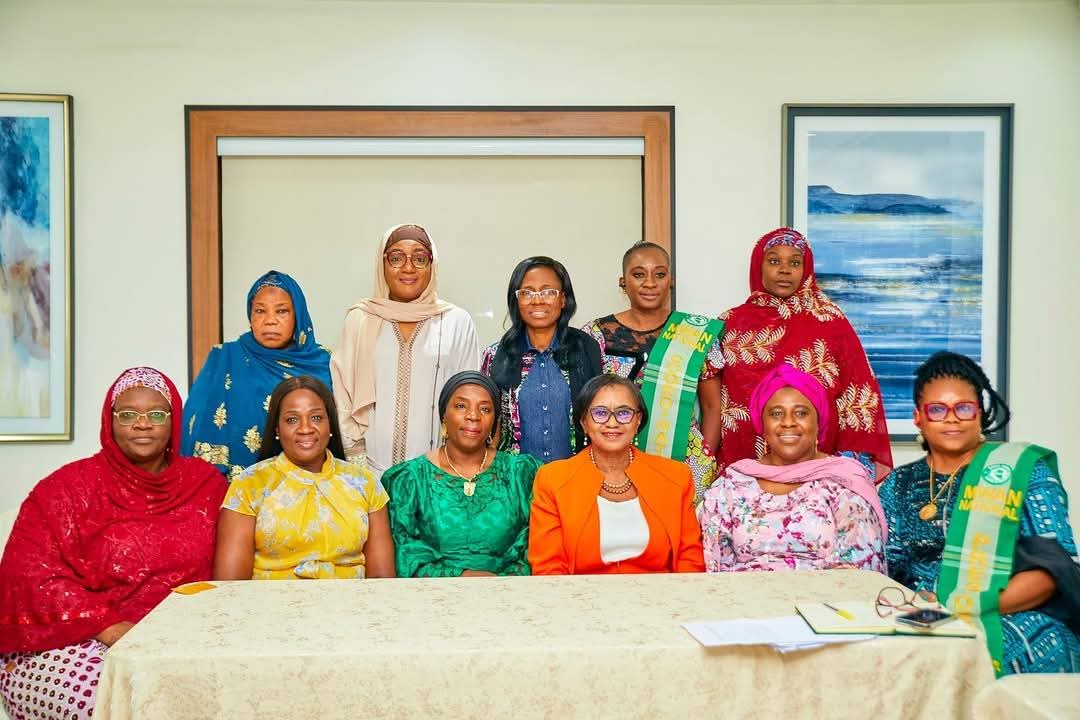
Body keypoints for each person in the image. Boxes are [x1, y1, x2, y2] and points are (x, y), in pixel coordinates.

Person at [0, 367, 226, 720]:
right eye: (128, 414)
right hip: (68, 642)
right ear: (110, 421)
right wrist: (110, 627)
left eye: (156, 413)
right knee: (119, 701)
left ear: (174, 420)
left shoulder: (206, 485)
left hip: (177, 641)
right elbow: (27, 572)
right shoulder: (65, 489)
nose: (142, 424)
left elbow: (228, 569)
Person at [880, 352, 1080, 675]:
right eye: (937, 409)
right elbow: (887, 572)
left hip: (1012, 613)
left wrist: (961, 607)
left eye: (963, 408)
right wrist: (917, 609)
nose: (952, 418)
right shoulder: (897, 485)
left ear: (979, 413)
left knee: (969, 656)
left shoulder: (1022, 471)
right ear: (918, 417)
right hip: (922, 616)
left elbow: (1053, 571)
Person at [718, 228, 892, 478]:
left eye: (795, 262)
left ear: (806, 269)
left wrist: (848, 469)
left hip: (819, 471)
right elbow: (711, 401)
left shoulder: (830, 321)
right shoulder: (729, 324)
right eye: (774, 260)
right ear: (759, 266)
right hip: (745, 471)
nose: (785, 269)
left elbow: (861, 396)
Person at [697, 364, 885, 573]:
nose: (788, 422)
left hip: (825, 601)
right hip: (745, 601)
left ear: (818, 424)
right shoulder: (731, 486)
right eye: (776, 413)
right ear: (763, 426)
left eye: (801, 413)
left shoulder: (845, 485)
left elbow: (861, 568)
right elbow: (715, 566)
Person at [331, 223, 479, 476]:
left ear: (432, 265)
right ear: (382, 264)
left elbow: (468, 398)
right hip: (369, 470)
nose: (408, 268)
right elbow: (343, 394)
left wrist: (453, 468)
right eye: (396, 258)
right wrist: (357, 467)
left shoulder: (457, 321)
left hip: (439, 474)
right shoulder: (360, 319)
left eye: (419, 259)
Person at [213, 376, 395, 580]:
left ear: (330, 425)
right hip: (271, 607)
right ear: (277, 429)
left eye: (316, 417)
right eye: (292, 419)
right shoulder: (249, 484)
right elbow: (230, 583)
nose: (306, 428)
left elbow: (382, 578)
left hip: (351, 606)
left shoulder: (365, 483)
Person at [583, 241, 724, 500]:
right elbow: (586, 404)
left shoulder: (695, 333)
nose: (650, 283)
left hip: (683, 457)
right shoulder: (595, 334)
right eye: (639, 274)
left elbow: (713, 406)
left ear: (670, 280)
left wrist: (706, 457)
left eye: (659, 274)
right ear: (622, 281)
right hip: (613, 455)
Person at [528, 375, 704, 574]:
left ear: (638, 420)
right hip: (583, 599)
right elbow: (549, 568)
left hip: (660, 599)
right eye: (600, 413)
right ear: (584, 422)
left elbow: (690, 561)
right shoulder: (552, 479)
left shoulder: (675, 476)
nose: (612, 423)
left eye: (624, 413)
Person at [383, 371, 539, 577]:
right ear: (443, 415)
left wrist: (503, 583)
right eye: (461, 406)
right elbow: (405, 552)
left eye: (485, 409)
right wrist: (463, 577)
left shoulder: (522, 474)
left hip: (512, 595)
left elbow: (537, 543)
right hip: (430, 599)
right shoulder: (409, 479)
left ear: (494, 421)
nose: (473, 416)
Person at [183, 270, 332, 480]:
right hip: (235, 491)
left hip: (309, 483)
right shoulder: (225, 358)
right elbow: (194, 424)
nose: (270, 321)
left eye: (281, 311)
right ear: (250, 315)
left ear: (297, 315)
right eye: (260, 311)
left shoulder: (323, 363)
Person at [481, 256, 602, 463]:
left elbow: (607, 415)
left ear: (563, 299)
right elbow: (487, 425)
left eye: (548, 292)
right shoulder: (495, 356)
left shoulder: (588, 348)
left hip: (575, 479)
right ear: (516, 300)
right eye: (527, 292)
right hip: (515, 482)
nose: (537, 300)